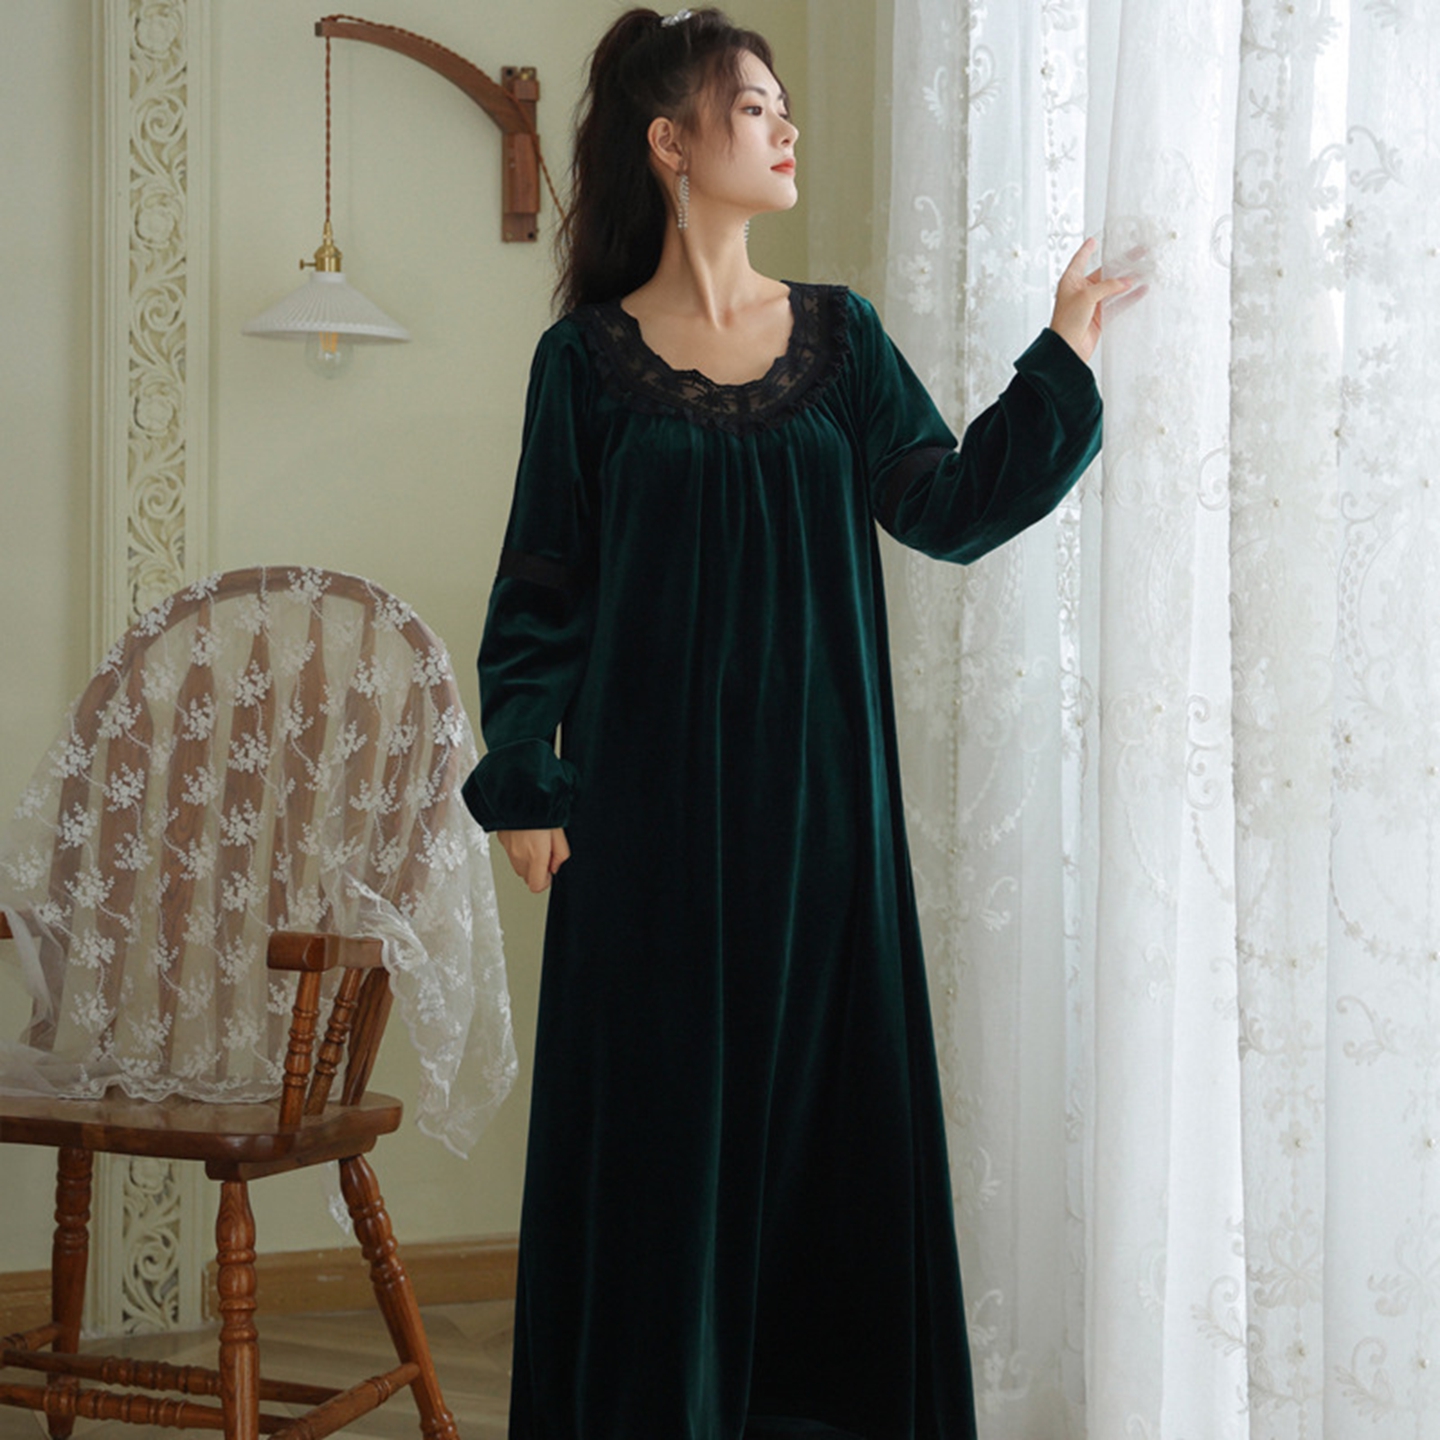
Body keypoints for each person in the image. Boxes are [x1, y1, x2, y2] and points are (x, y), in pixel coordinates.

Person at [462, 8, 1127, 1437]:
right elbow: (540, 590)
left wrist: (1064, 351)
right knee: (659, 1157)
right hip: (642, 841)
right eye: (756, 107)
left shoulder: (842, 339)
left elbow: (947, 506)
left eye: (780, 107)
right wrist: (524, 778)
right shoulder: (582, 364)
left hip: (824, 835)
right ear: (672, 143)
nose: (787, 128)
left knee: (828, 1152)